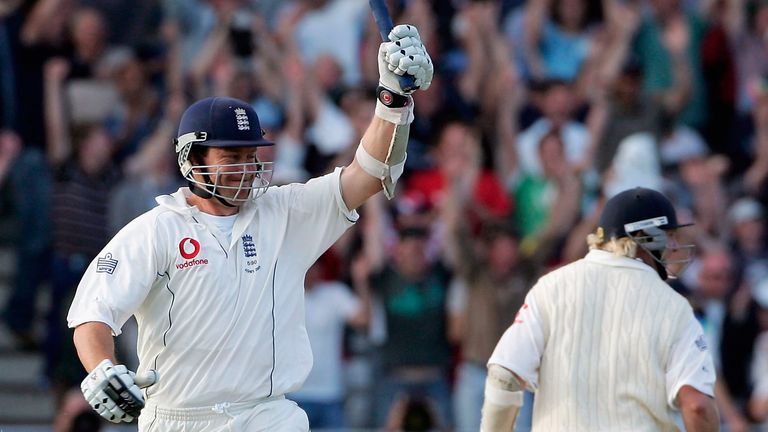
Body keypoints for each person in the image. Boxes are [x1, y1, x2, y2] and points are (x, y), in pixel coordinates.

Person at [66, 24, 433, 431]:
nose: (247, 168)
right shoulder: (156, 230)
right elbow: (93, 312)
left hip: (268, 415)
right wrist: (102, 368)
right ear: (193, 160)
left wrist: (392, 100)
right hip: (178, 418)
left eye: (250, 155)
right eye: (231, 156)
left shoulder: (285, 213)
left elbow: (369, 173)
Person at [480, 187, 720, 431]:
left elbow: (504, 376)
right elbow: (696, 405)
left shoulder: (551, 287)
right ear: (645, 236)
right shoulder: (674, 308)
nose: (673, 245)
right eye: (668, 235)